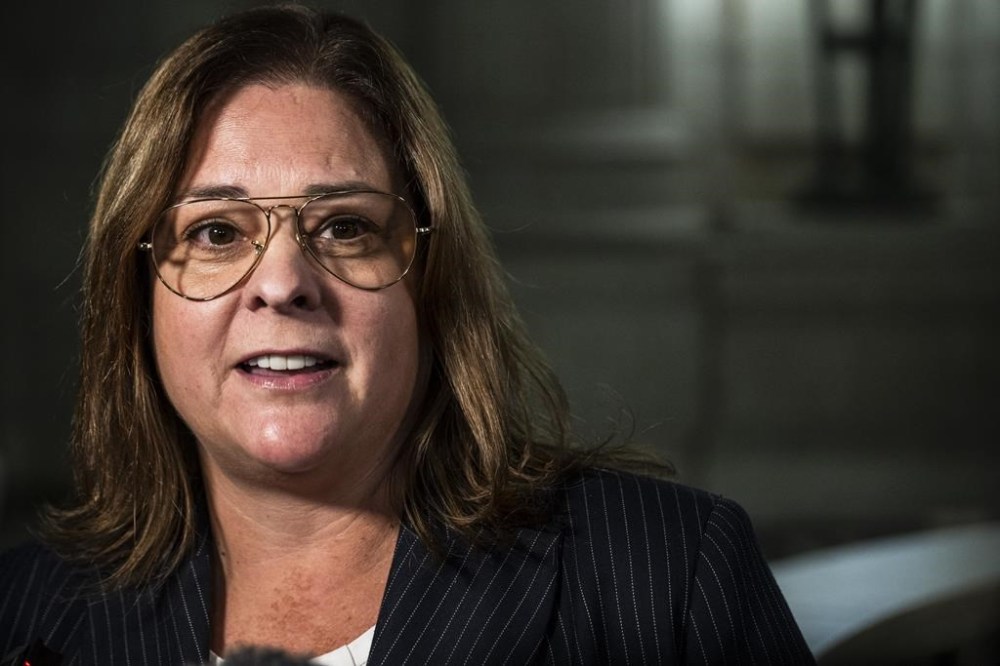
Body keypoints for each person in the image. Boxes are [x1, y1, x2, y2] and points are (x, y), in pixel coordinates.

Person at [0, 5, 814, 665]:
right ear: (136, 294)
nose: (282, 283)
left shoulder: (668, 573)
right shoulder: (23, 611)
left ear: (431, 280)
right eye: (216, 233)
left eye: (345, 226)